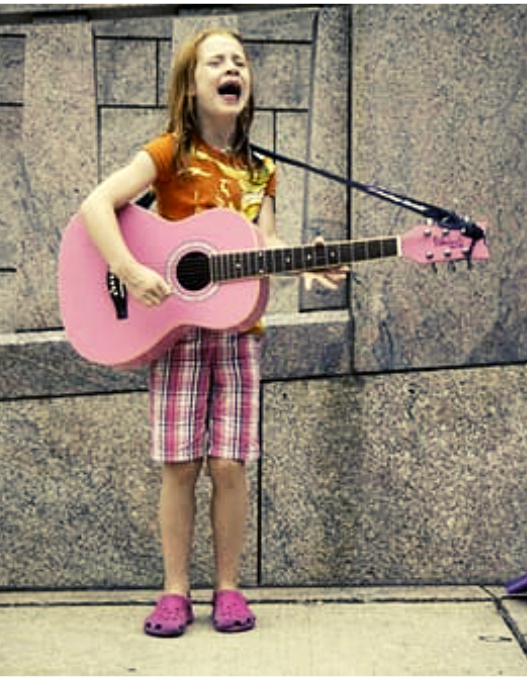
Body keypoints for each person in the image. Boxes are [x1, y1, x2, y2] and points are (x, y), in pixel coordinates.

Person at [79, 28, 345, 637]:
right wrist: (128, 267)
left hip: (240, 333)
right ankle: (175, 591)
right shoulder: (171, 152)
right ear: (192, 86)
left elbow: (264, 243)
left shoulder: (261, 169)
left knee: (229, 464)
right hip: (174, 331)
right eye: (216, 62)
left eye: (240, 61)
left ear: (246, 86)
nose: (232, 68)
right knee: (179, 465)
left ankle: (228, 587)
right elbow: (97, 204)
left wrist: (304, 259)